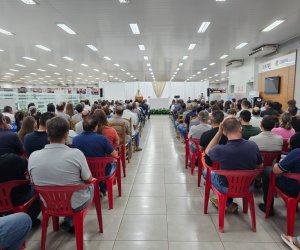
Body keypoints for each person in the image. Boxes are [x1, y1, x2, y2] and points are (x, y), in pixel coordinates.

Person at [29, 116, 94, 233]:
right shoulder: (76, 154)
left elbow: (33, 181)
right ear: (66, 134)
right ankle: (71, 220)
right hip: (74, 204)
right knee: (92, 185)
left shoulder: (33, 156)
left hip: (49, 203)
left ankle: (68, 221)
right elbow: (88, 179)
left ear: (47, 133)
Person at [204, 116, 263, 212]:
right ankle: (228, 202)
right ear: (241, 129)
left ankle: (226, 202)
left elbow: (207, 150)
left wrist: (218, 132)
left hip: (226, 187)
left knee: (206, 172)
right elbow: (260, 166)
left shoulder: (221, 150)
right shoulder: (252, 145)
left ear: (224, 132)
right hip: (248, 186)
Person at [72, 115, 118, 195]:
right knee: (113, 164)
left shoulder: (75, 139)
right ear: (96, 126)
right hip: (101, 171)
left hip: (84, 172)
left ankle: (95, 188)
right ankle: (103, 188)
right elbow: (115, 155)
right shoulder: (102, 139)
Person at [258, 133, 300, 215]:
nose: (288, 147)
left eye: (289, 145)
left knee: (267, 170)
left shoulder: (296, 152)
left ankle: (268, 207)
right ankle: (294, 206)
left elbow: (276, 171)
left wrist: (277, 164)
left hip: (293, 189)